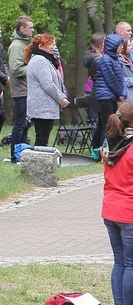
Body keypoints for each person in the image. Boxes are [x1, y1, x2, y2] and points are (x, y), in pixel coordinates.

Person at [101, 101, 133, 304]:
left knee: (119, 262)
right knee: (131, 264)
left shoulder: (108, 144)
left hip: (110, 209)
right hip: (129, 212)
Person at [25, 34, 69, 147]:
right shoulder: (40, 61)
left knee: (43, 137)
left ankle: (40, 160)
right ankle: (39, 162)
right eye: (51, 44)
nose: (54, 47)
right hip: (42, 107)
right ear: (41, 46)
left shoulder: (44, 60)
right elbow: (48, 84)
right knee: (42, 139)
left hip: (43, 107)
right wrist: (61, 98)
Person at [7, 16, 34, 162]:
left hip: (27, 89)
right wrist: (34, 66)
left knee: (26, 123)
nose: (33, 30)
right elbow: (16, 69)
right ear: (22, 29)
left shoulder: (26, 43)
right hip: (21, 90)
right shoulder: (17, 46)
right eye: (30, 27)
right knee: (20, 123)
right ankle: (15, 155)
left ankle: (22, 152)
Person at [95, 33, 128, 150]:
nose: (121, 47)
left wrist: (123, 93)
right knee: (107, 124)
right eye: (119, 45)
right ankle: (103, 150)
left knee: (114, 123)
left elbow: (121, 78)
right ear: (112, 45)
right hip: (105, 96)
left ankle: (112, 148)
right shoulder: (105, 60)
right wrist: (120, 93)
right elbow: (111, 80)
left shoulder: (116, 59)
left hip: (113, 95)